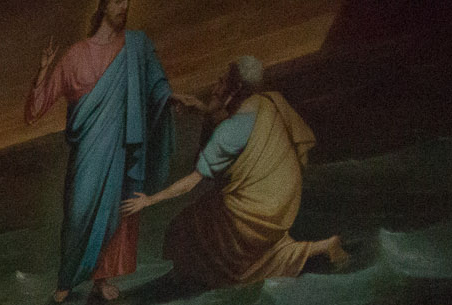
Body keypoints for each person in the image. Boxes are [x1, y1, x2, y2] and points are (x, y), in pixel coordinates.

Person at [123, 57, 346, 288]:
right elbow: (236, 118)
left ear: (235, 88)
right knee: (207, 219)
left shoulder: (228, 133)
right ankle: (317, 247)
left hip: (257, 209)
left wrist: (149, 200)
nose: (216, 87)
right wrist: (202, 108)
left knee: (188, 228)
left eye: (221, 82)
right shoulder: (267, 101)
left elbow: (191, 182)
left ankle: (209, 282)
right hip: (284, 196)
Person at [25, 0, 185, 304]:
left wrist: (170, 98)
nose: (124, 7)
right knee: (79, 212)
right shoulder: (75, 55)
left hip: (122, 147)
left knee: (116, 208)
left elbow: (156, 85)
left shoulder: (136, 45)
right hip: (89, 152)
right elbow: (36, 109)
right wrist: (44, 70)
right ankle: (67, 278)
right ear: (103, 6)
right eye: (117, 1)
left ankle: (102, 278)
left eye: (127, 1)